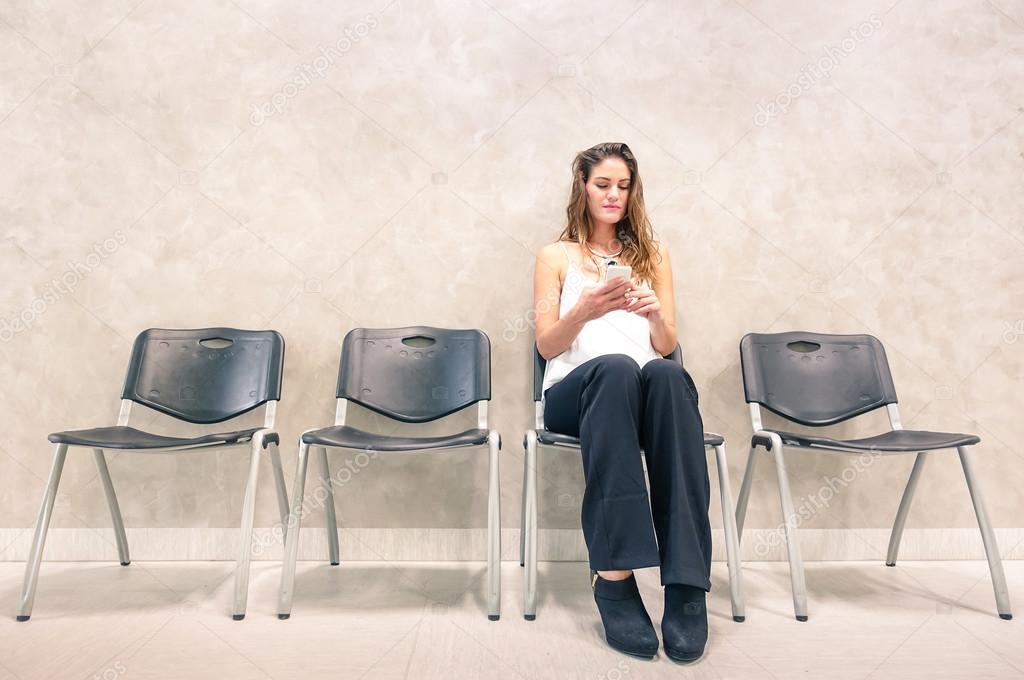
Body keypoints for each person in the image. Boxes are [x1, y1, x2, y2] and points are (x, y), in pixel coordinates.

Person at [533, 142, 712, 662]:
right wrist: (585, 310)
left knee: (667, 374)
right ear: (583, 188)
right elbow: (546, 345)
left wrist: (656, 314)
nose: (613, 195)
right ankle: (614, 578)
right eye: (602, 184)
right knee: (614, 369)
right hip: (577, 393)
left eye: (623, 186)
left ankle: (685, 585)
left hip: (642, 394)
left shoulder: (653, 255)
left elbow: (665, 343)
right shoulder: (556, 256)